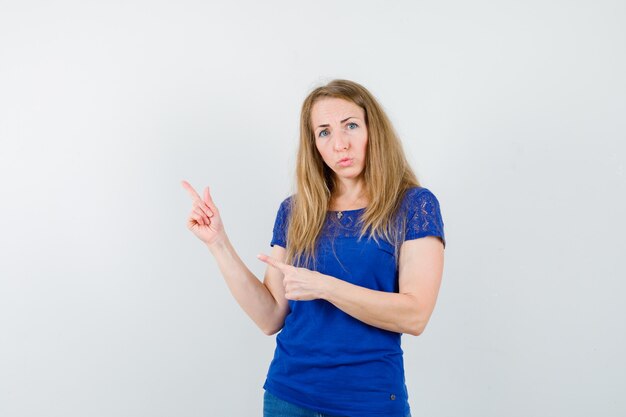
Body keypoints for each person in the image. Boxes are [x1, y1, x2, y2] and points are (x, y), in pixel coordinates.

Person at [181, 79, 446, 417]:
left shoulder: (413, 205)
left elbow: (416, 314)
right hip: (288, 398)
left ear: (372, 130)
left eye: (350, 125)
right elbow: (269, 317)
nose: (340, 144)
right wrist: (218, 243)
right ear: (314, 145)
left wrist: (324, 286)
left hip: (370, 401)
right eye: (324, 132)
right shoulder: (295, 210)